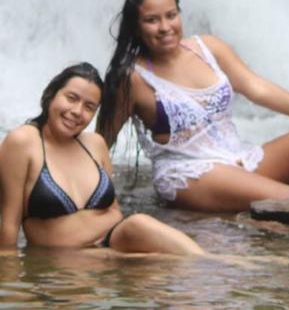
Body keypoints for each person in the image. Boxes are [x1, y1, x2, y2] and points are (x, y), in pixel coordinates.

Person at [97, 0, 289, 212]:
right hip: (189, 173)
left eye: (171, 16)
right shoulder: (131, 78)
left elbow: (257, 87)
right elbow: (101, 142)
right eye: (152, 20)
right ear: (136, 27)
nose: (165, 27)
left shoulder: (207, 47)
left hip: (237, 159)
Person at [0, 62, 203, 255]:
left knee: (143, 229)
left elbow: (114, 212)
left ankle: (218, 265)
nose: (77, 111)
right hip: (61, 261)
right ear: (51, 95)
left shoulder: (95, 144)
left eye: (89, 107)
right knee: (159, 261)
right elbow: (9, 225)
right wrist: (12, 285)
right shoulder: (23, 142)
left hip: (111, 246)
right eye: (71, 98)